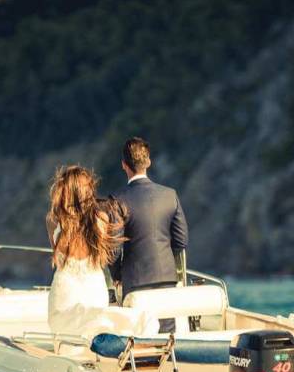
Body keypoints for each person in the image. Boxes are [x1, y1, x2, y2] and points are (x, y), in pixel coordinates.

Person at [45, 165, 156, 340]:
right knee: (99, 330)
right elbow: (105, 255)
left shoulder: (53, 221)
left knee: (66, 337)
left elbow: (59, 258)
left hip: (65, 290)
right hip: (94, 289)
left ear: (65, 191)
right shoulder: (101, 220)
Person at [109, 137, 189, 332]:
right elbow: (181, 240)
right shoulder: (170, 195)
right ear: (149, 162)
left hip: (135, 280)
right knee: (167, 338)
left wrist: (117, 275)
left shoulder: (117, 200)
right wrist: (163, 257)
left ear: (124, 165)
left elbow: (114, 248)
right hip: (167, 277)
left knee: (139, 336)